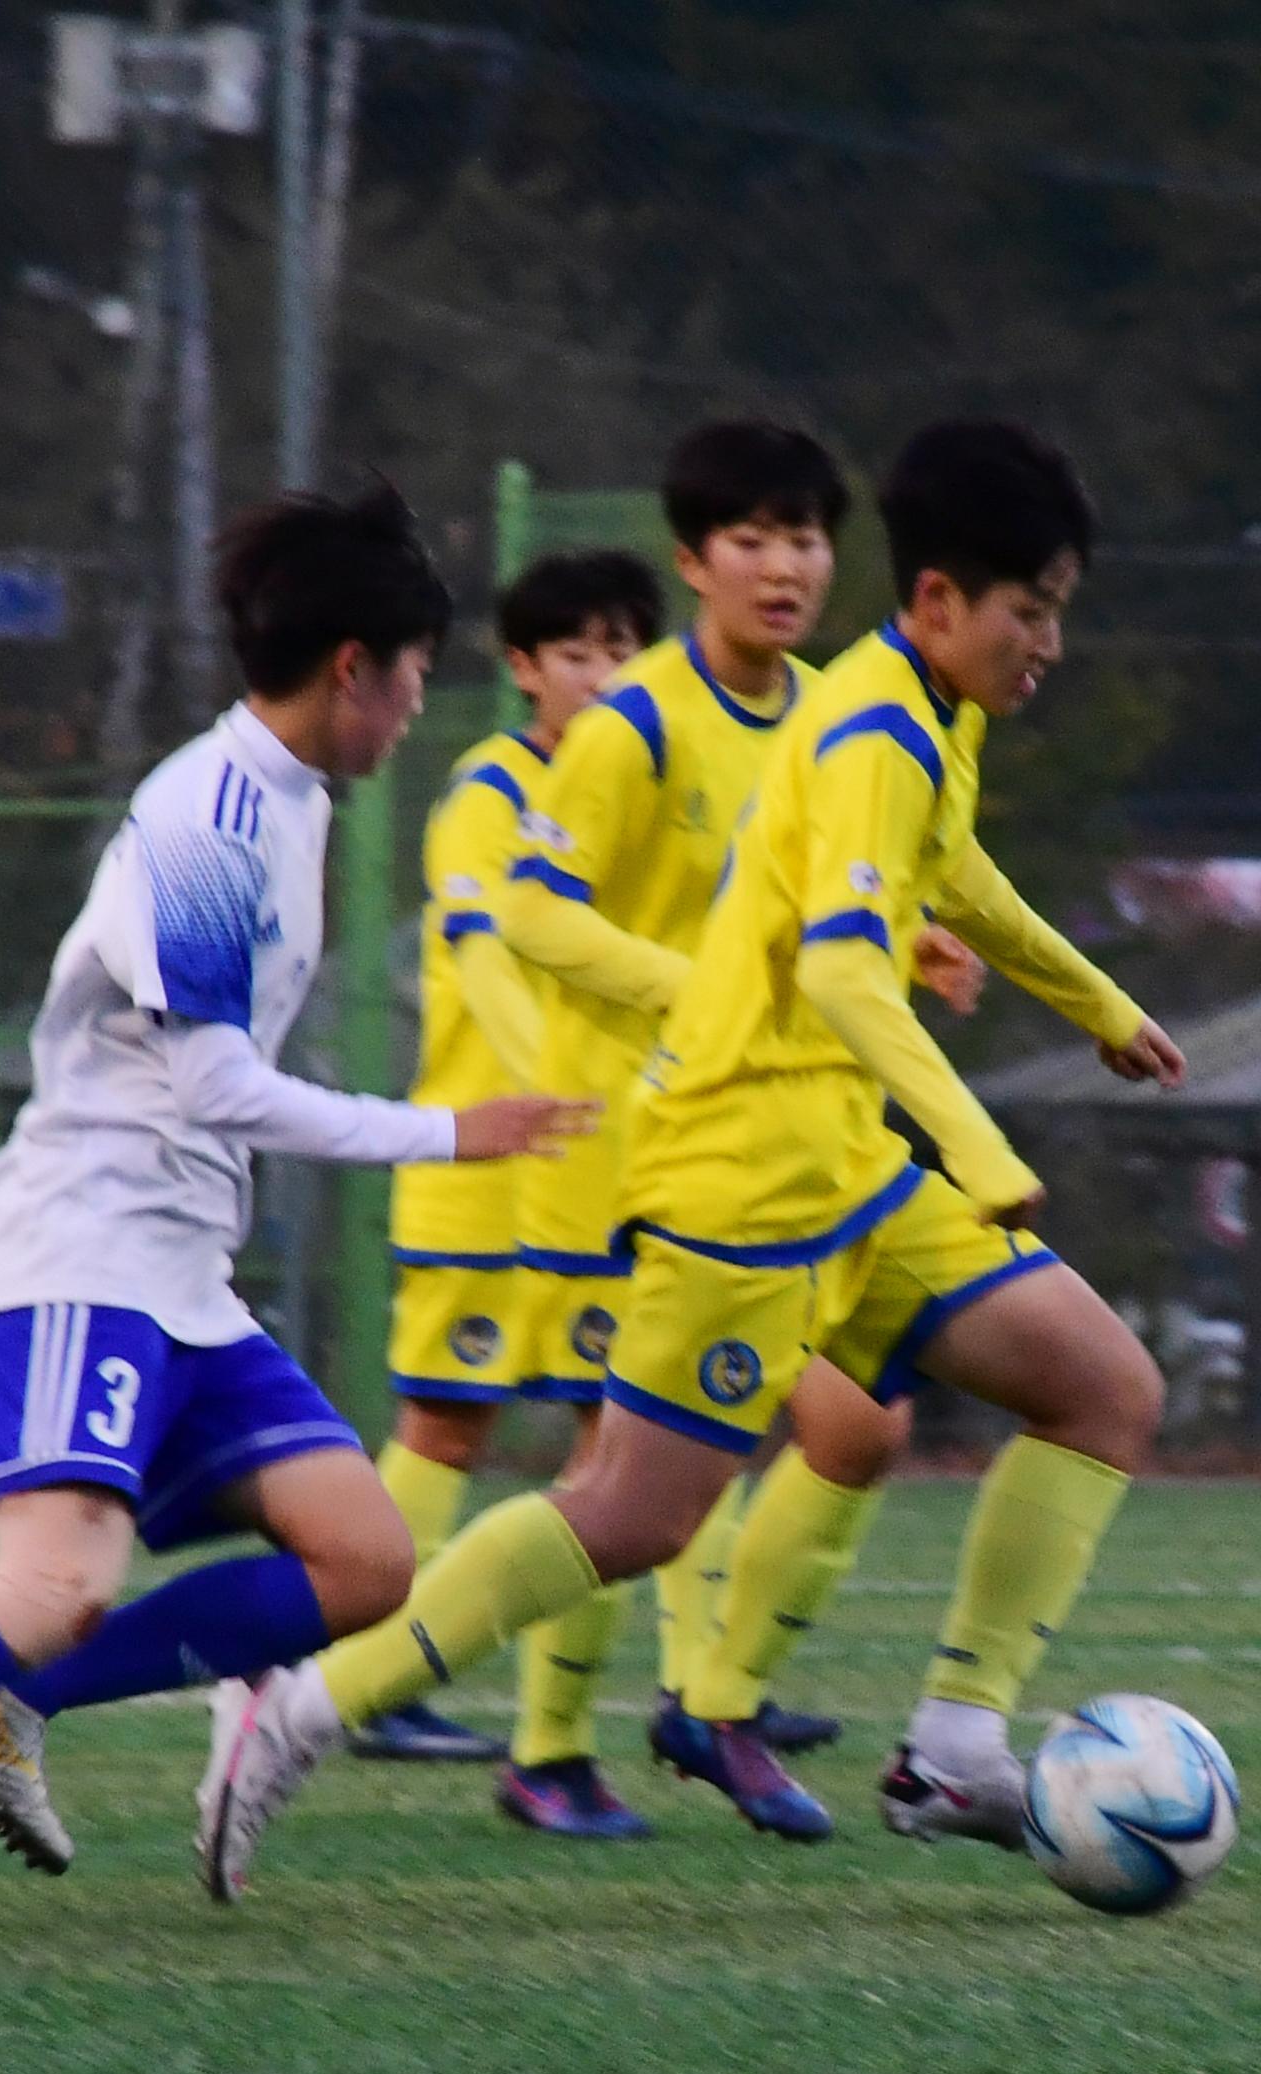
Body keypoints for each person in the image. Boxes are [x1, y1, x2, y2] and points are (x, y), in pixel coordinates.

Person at [186, 420, 1184, 1902]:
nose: (1048, 643)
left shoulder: (924, 714)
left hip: (840, 1160)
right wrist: (977, 1145)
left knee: (1106, 1389)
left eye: (1057, 611)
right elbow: (847, 976)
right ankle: (307, 1705)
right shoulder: (863, 732)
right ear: (936, 604)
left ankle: (960, 1742)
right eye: (1029, 611)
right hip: (738, 1178)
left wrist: (1098, 1003)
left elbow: (952, 873)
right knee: (630, 1516)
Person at [0, 485, 588, 1927]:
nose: (422, 707)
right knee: (57, 1580)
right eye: (417, 674)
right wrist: (448, 1132)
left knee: (363, 1557)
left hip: (176, 1271)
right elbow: (221, 1085)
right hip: (81, 1250)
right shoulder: (208, 820)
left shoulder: (285, 807)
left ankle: (7, 1708)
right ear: (354, 663)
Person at [437, 420, 971, 1843]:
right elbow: (529, 914)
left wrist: (912, 947)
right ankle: (539, 1740)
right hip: (632, 1147)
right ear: (700, 563)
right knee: (619, 1474)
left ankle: (713, 1694)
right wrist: (706, 993)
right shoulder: (632, 729)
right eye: (756, 538)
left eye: (807, 537)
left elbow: (824, 905)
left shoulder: (827, 714)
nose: (789, 564)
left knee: (848, 1429)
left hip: (782, 1150)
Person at [344, 546, 665, 1770]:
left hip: (599, 1173)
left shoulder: (632, 795)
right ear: (523, 668)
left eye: (623, 648)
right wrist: (553, 1083)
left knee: (612, 1440)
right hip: (485, 1162)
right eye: (574, 651)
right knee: (448, 1424)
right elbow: (484, 948)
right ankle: (366, 1670)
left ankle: (574, 1726)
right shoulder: (489, 791)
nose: (600, 673)